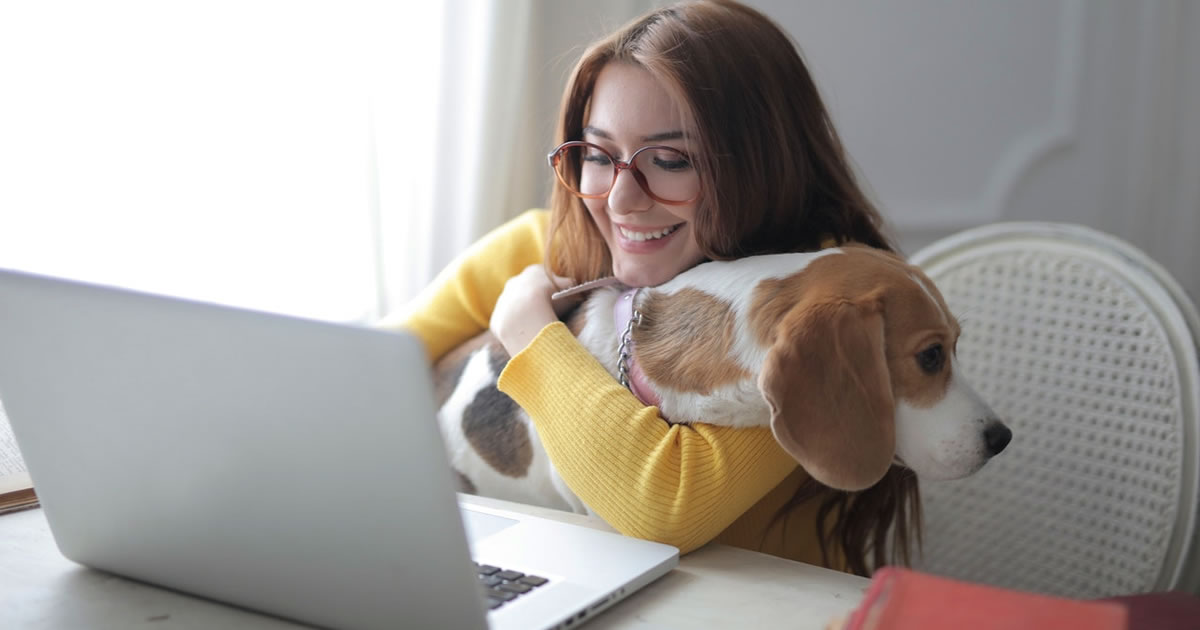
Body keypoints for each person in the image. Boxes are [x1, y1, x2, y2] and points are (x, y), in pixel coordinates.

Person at [382, 0, 917, 577]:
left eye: (668, 160)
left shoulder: (809, 312)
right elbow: (351, 374)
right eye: (597, 154)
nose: (619, 200)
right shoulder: (540, 248)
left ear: (765, 166)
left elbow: (664, 511)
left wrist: (530, 336)